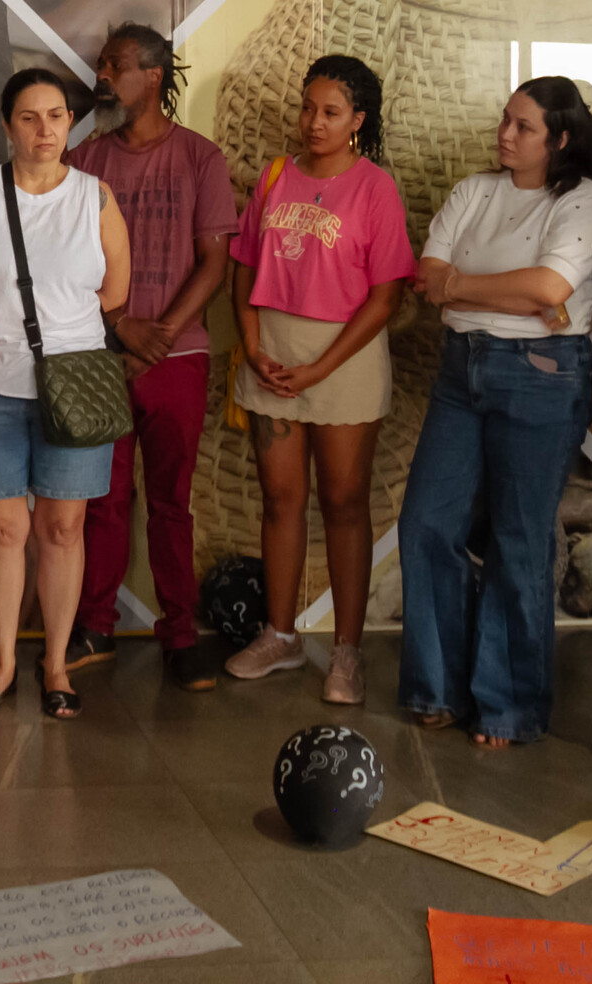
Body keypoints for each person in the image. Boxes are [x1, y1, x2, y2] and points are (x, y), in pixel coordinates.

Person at [399, 79, 592, 749]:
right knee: (427, 521)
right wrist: (503, 295)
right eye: (505, 120)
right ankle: (436, 688)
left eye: (523, 127)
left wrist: (464, 287)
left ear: (561, 139)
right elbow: (427, 273)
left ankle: (508, 705)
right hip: (462, 369)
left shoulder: (582, 201)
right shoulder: (474, 191)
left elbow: (549, 290)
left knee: (519, 540)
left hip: (542, 376)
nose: (505, 134)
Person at [225, 55, 414, 704]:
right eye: (308, 107)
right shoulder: (276, 176)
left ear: (358, 120)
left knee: (343, 503)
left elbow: (386, 298)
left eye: (331, 112)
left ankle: (346, 654)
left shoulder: (374, 188)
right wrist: (252, 349)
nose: (314, 122)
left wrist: (319, 367)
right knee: (280, 501)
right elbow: (243, 269)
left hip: (344, 362)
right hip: (272, 356)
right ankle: (279, 635)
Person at [0, 69, 129, 721]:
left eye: (57, 116)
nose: (46, 129)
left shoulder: (95, 197)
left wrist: (59, 331)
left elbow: (115, 292)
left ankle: (55, 664)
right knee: (3, 530)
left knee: (63, 527)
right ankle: (1, 663)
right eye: (30, 117)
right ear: (6, 125)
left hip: (75, 388)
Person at [63, 24, 237, 691]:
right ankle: (95, 627)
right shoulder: (85, 162)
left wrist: (158, 333)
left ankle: (182, 636)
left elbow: (214, 261)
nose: (104, 77)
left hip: (178, 355)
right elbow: (67, 260)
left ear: (155, 74)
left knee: (171, 503)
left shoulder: (200, 157)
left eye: (117, 65)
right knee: (99, 500)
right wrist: (119, 327)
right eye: (102, 65)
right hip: (101, 355)